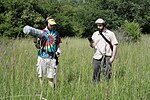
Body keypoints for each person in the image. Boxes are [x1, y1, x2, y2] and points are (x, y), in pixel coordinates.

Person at [23, 17, 62, 88]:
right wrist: (36, 42)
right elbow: (38, 46)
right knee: (41, 76)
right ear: (47, 24)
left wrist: (58, 51)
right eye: (51, 25)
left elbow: (57, 44)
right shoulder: (41, 33)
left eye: (53, 25)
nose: (52, 26)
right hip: (42, 56)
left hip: (52, 57)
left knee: (51, 77)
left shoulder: (56, 33)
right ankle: (42, 92)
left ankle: (53, 93)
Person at [88, 18, 118, 84]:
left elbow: (115, 45)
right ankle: (95, 84)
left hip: (107, 55)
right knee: (95, 69)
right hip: (97, 55)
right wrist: (91, 42)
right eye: (97, 25)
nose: (98, 27)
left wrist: (113, 57)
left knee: (107, 71)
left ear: (104, 25)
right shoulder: (95, 34)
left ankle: (107, 85)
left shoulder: (110, 33)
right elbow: (92, 46)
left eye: (100, 25)